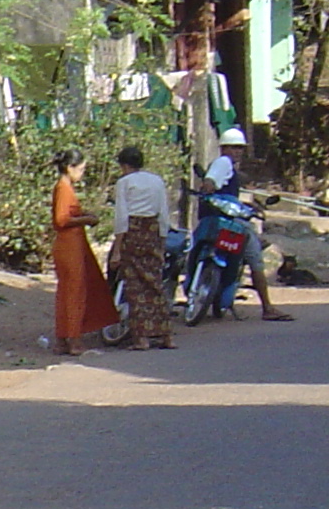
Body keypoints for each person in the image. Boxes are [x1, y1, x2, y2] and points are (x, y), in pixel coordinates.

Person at [193, 127, 294, 322]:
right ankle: (267, 307)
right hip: (231, 223)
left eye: (240, 148)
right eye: (233, 147)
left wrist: (247, 204)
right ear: (224, 148)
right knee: (255, 258)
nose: (237, 151)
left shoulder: (228, 167)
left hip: (218, 219)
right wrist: (208, 186)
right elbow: (210, 181)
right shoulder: (223, 162)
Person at [49, 151, 120, 355]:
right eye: (80, 169)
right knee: (74, 293)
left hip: (71, 244)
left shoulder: (64, 188)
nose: (82, 173)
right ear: (69, 168)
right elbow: (61, 220)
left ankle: (64, 337)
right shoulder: (63, 188)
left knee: (68, 292)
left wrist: (82, 215)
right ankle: (73, 338)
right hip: (69, 245)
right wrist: (86, 220)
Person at [107, 145, 174, 350]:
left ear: (124, 165)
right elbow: (163, 212)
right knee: (155, 283)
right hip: (153, 231)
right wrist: (162, 240)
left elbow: (121, 218)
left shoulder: (124, 183)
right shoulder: (156, 181)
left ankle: (141, 338)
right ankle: (165, 336)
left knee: (135, 287)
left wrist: (117, 248)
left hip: (133, 233)